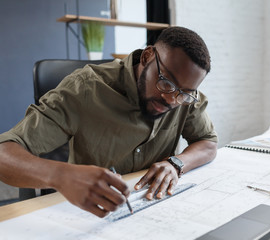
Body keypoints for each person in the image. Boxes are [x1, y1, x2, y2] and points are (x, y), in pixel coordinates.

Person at [0, 26, 218, 217]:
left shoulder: (184, 98)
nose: (171, 99)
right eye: (166, 83)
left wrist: (177, 163)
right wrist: (60, 176)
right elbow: (4, 154)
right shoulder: (84, 88)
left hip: (154, 210)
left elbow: (208, 142)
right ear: (147, 56)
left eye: (184, 93)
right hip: (88, 213)